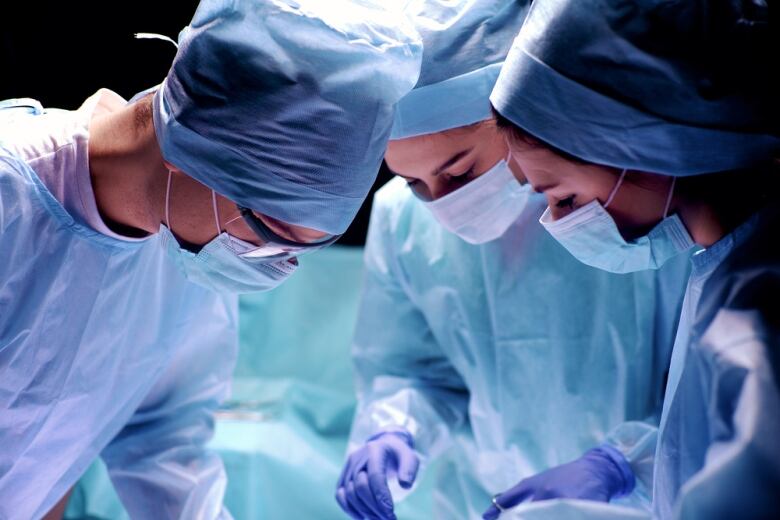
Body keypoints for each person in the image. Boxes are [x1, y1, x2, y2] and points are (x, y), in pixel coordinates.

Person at [0, 0, 422, 517]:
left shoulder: (183, 249)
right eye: (271, 233)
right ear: (200, 155)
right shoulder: (9, 201)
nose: (276, 264)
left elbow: (162, 434)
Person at [333, 2, 690, 519]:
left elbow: (710, 395)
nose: (441, 201)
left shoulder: (628, 202)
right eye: (414, 183)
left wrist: (626, 465)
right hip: (479, 502)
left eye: (456, 171)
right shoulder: (401, 220)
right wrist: (395, 428)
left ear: (516, 117)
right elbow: (409, 368)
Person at [490, 0, 780, 518]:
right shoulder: (722, 268)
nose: (559, 223)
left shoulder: (757, 308)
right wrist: (629, 467)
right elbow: (709, 450)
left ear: (643, 149)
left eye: (564, 199)